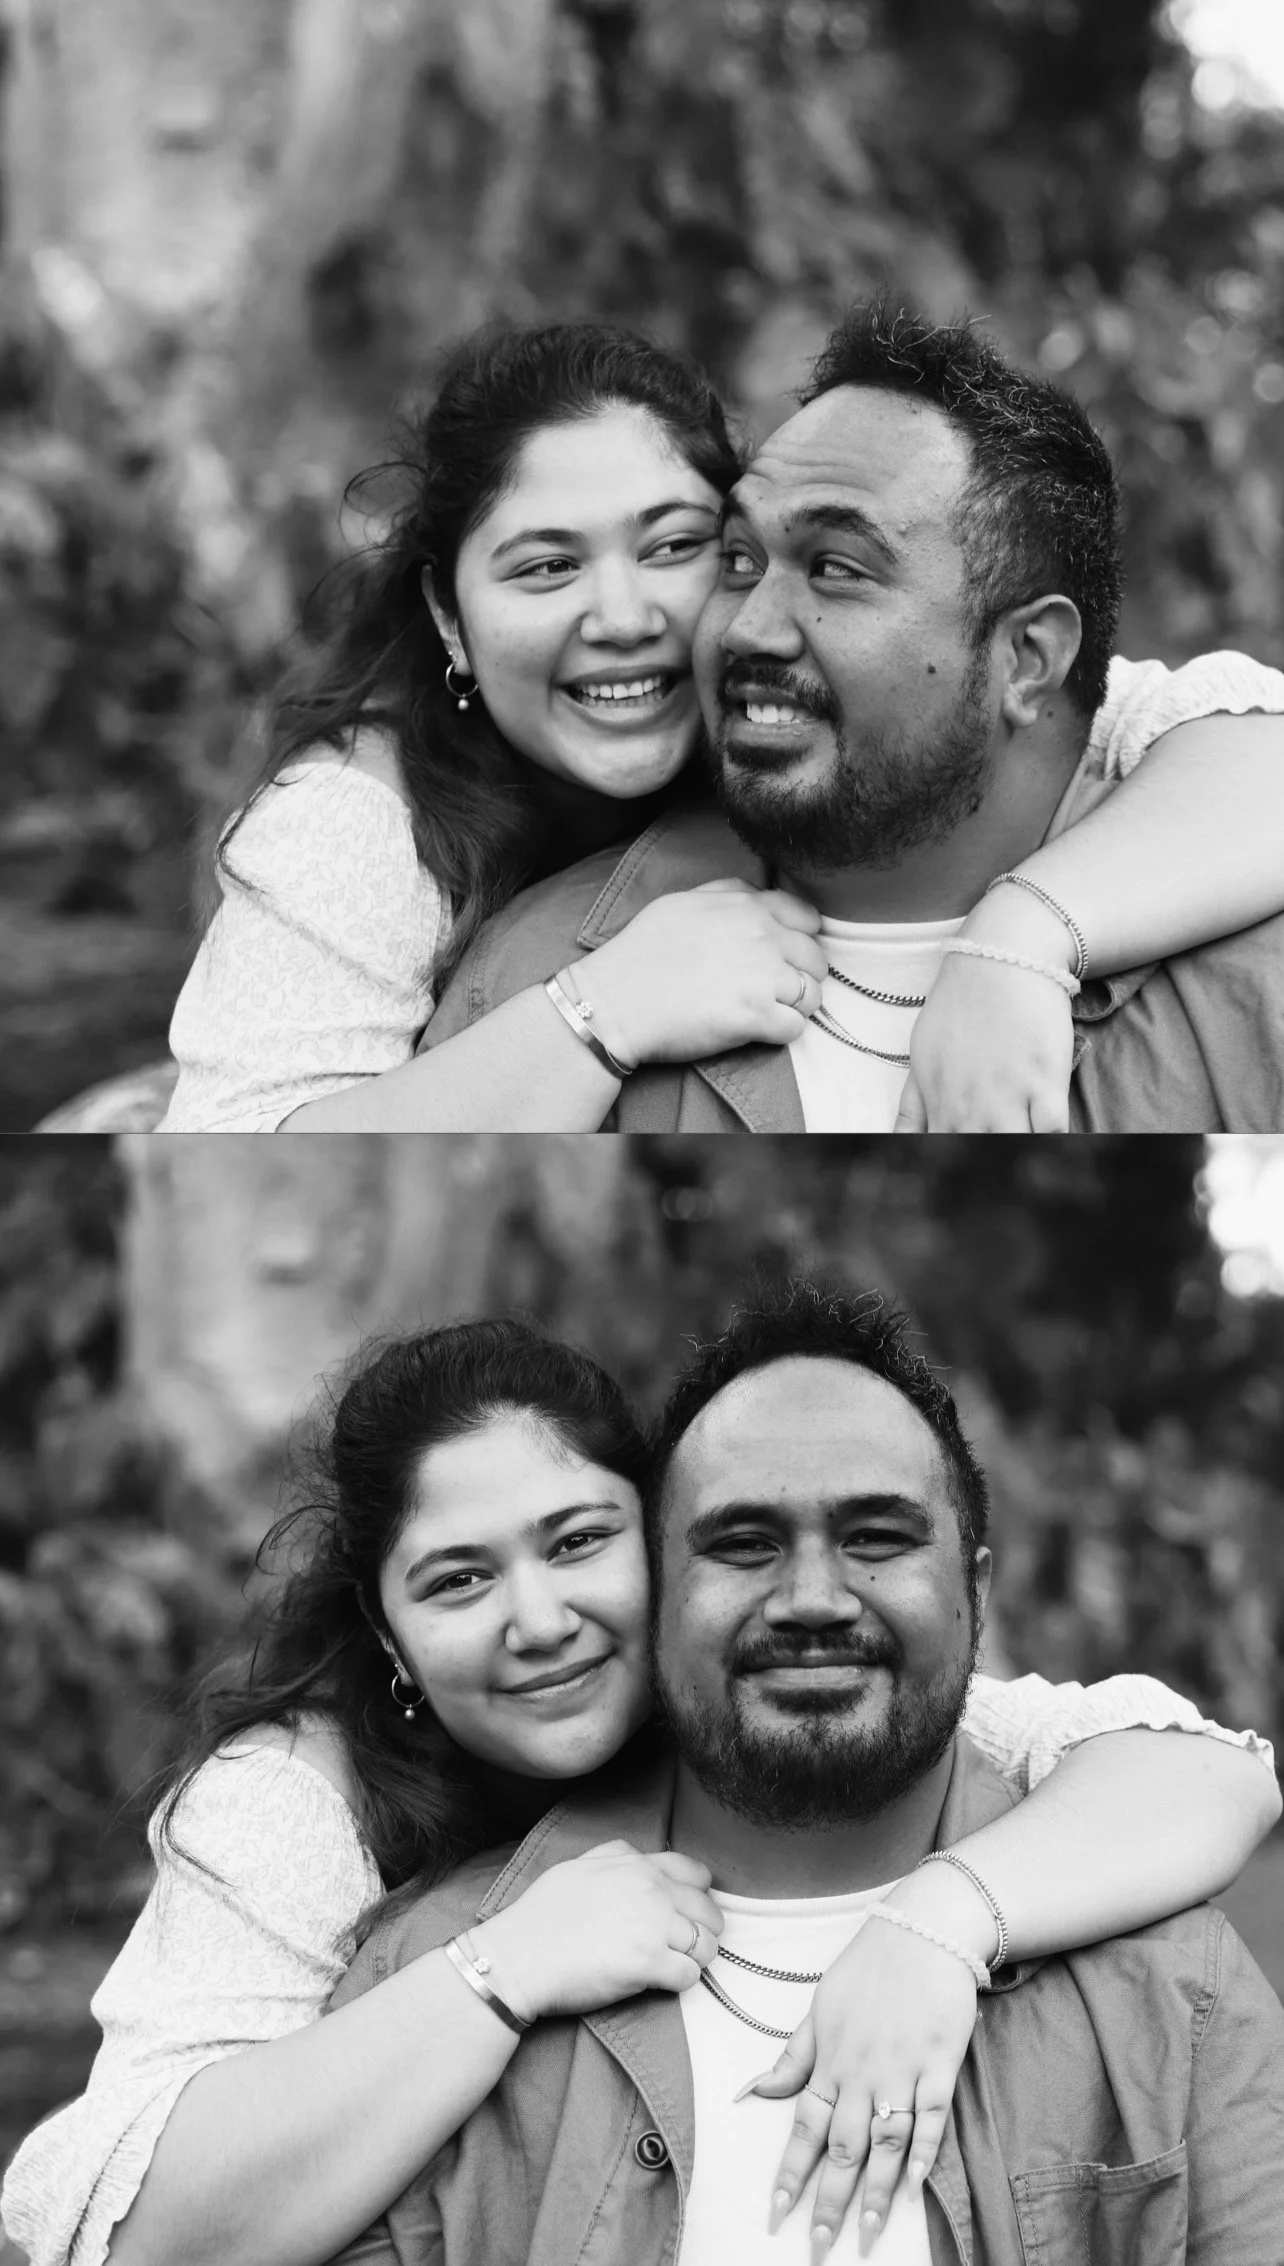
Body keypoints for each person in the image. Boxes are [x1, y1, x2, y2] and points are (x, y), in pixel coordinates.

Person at [1, 1320, 1277, 2266]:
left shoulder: (801, 1682)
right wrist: (497, 1971)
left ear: (654, 1563)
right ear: (386, 1637)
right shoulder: (300, 1805)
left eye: (576, 1543)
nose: (540, 1622)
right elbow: (110, 2228)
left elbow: (1205, 1771)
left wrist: (939, 1918)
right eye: (455, 1581)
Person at [155, 320, 1284, 1137]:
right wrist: (601, 1012)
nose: (626, 618)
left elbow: (1218, 731)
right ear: (451, 613)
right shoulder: (358, 825)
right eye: (546, 566)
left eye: (682, 547)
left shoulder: (826, 690)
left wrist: (1025, 934)